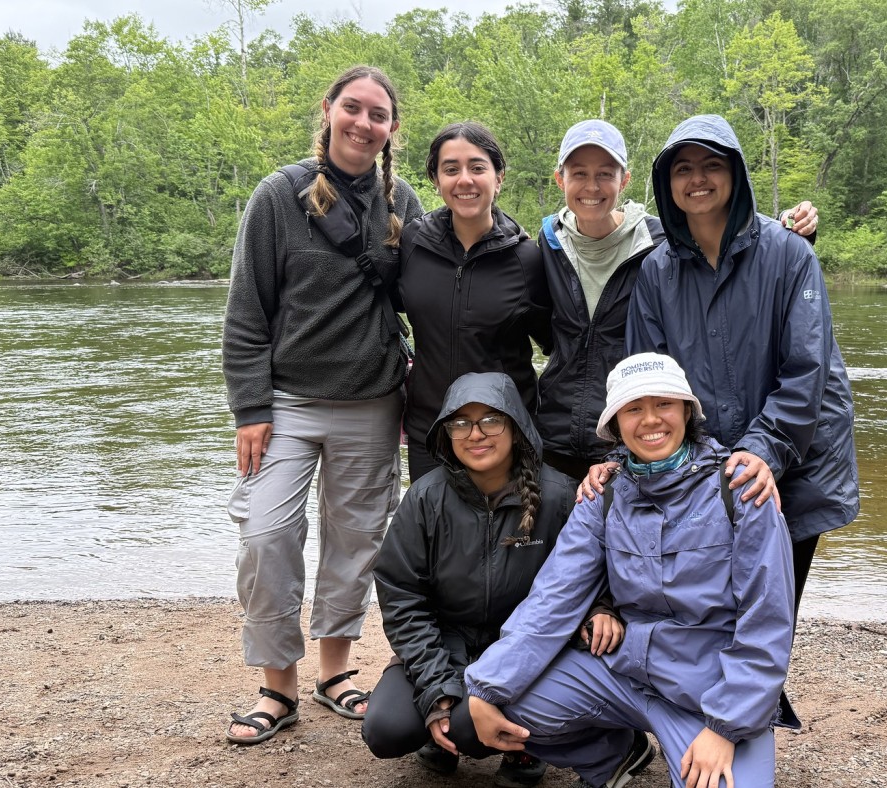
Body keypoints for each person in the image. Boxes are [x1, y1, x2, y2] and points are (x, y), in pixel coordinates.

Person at [466, 353, 798, 788]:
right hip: (624, 673)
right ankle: (614, 755)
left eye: (664, 404)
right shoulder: (604, 493)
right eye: (634, 409)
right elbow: (554, 597)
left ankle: (708, 737)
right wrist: (487, 687)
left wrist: (724, 728)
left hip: (706, 693)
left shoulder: (740, 489)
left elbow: (767, 625)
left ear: (686, 411)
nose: (650, 420)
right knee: (502, 708)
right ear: (615, 424)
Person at [221, 65, 424, 745]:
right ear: (329, 110)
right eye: (354, 108)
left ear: (392, 129)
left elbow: (427, 298)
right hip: (285, 403)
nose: (364, 123)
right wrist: (250, 407)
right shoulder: (279, 195)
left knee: (356, 542)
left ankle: (335, 673)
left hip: (372, 402)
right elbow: (247, 311)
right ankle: (277, 684)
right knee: (266, 534)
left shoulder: (403, 203)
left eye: (379, 114)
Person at [611, 114, 860, 616]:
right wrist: (679, 465)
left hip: (796, 462)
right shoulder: (657, 273)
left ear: (735, 173)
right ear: (667, 183)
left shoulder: (790, 255)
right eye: (682, 168)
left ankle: (766, 694)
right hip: (707, 470)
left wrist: (761, 453)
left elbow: (807, 369)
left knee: (772, 613)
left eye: (710, 165)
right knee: (719, 612)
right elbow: (649, 383)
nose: (697, 178)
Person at [364, 372, 623, 787]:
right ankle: (441, 719)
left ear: (516, 426)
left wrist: (601, 608)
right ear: (445, 432)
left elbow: (594, 573)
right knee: (386, 729)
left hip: (525, 652)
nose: (475, 434)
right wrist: (436, 687)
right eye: (460, 423)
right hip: (445, 643)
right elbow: (402, 597)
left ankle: (526, 747)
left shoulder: (560, 496)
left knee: (469, 728)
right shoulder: (425, 498)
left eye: (491, 420)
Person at [536, 118, 819, 485]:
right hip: (571, 437)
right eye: (684, 169)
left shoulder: (653, 244)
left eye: (606, 173)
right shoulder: (543, 248)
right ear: (560, 179)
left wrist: (790, 229)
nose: (592, 185)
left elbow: (806, 365)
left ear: (626, 180)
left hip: (742, 457)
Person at [397, 122, 552, 483]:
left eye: (477, 167)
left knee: (504, 539)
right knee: (435, 537)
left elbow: (557, 344)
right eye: (451, 169)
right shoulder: (412, 245)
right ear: (436, 180)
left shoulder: (527, 259)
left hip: (502, 436)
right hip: (430, 433)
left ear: (498, 178)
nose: (464, 179)